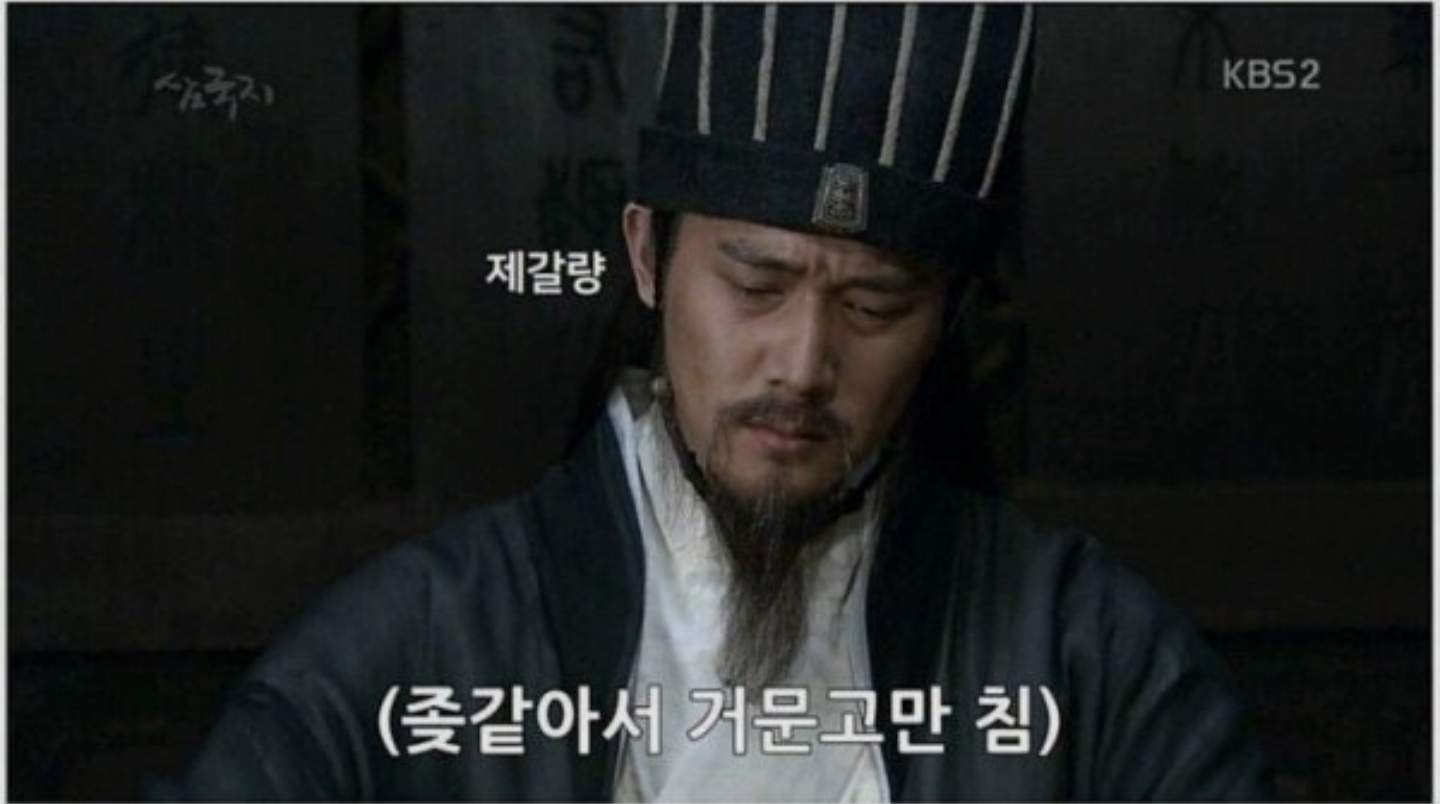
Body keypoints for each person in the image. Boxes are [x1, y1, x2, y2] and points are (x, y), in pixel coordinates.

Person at [173, 5, 1272, 800]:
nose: (802, 362)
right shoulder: (425, 645)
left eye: (876, 304)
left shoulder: (1086, 658)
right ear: (649, 256)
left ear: (944, 321)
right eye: (755, 284)